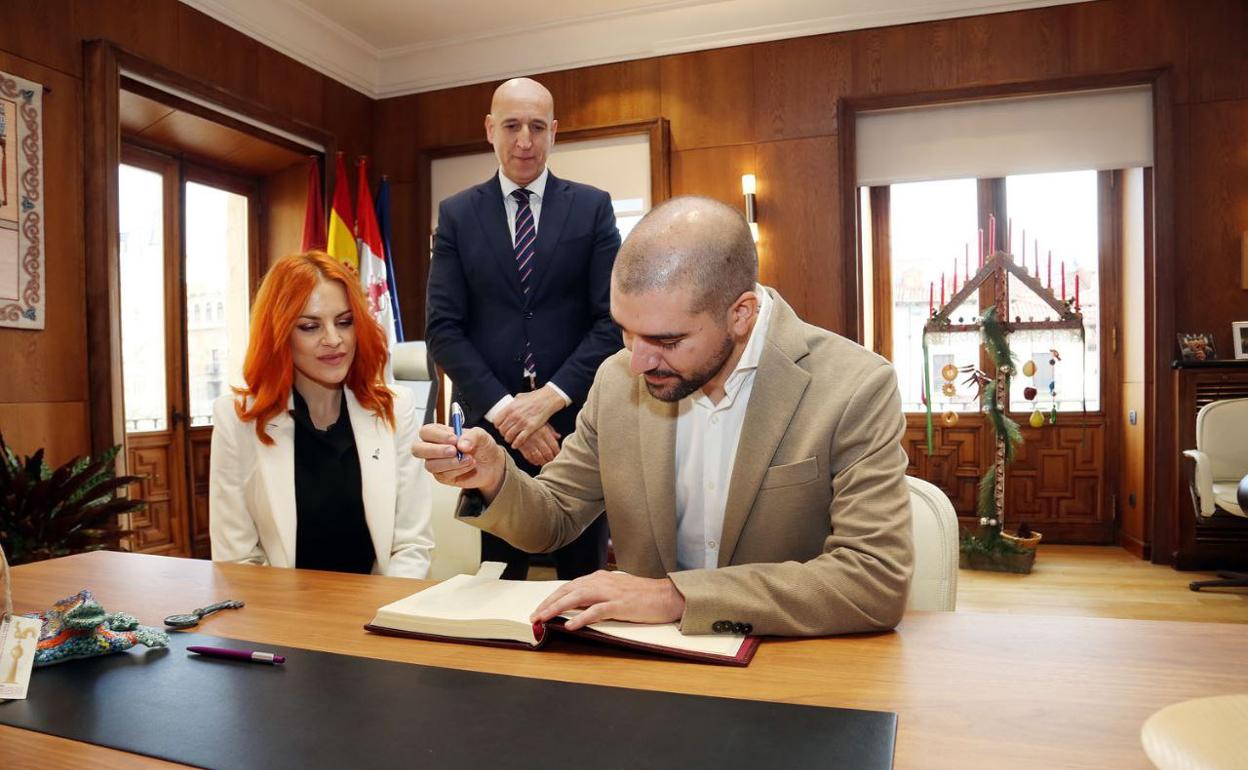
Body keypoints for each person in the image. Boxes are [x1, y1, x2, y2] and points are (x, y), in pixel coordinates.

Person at [415, 196, 914, 637]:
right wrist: (496, 477)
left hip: (793, 680)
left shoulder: (854, 387)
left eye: (667, 341)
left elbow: (873, 578)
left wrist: (676, 597)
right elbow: (557, 516)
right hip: (647, 681)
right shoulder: (616, 381)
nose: (636, 362)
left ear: (740, 314)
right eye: (626, 332)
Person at [425, 77, 621, 580]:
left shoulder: (592, 207)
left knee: (583, 582)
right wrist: (510, 413)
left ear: (554, 132)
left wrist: (550, 399)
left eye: (537, 127)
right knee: (498, 580)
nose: (525, 141)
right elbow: (444, 329)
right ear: (491, 130)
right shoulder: (457, 215)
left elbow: (612, 321)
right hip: (491, 440)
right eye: (511, 126)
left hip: (576, 431)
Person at [210, 251, 434, 578]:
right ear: (280, 334)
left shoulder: (396, 408)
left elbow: (411, 546)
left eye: (345, 322)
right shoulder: (237, 419)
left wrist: (383, 617)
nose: (334, 339)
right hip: (281, 616)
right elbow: (237, 561)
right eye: (310, 326)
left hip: (379, 611)